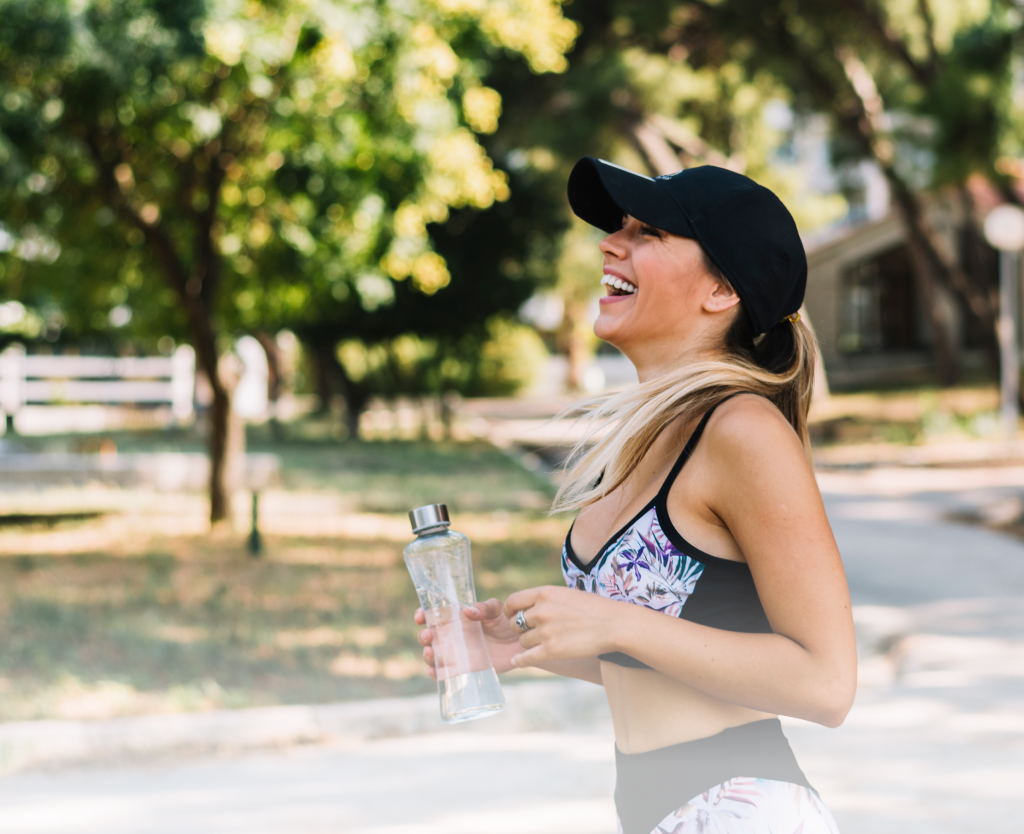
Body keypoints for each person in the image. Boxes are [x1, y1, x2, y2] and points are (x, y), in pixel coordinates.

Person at [414, 157, 857, 834]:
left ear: (722, 290)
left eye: (647, 231)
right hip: (656, 809)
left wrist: (614, 623)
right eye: (618, 226)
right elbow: (670, 654)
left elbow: (827, 684)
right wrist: (523, 646)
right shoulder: (650, 435)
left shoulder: (743, 429)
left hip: (741, 809)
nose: (610, 244)